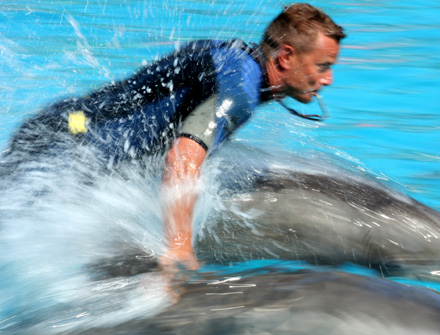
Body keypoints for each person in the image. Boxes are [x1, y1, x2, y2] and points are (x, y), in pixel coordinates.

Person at [5, 3, 345, 273]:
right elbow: (182, 159)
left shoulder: (239, 66)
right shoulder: (239, 89)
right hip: (61, 153)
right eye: (323, 65)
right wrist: (180, 246)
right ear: (285, 56)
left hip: (62, 129)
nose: (327, 79)